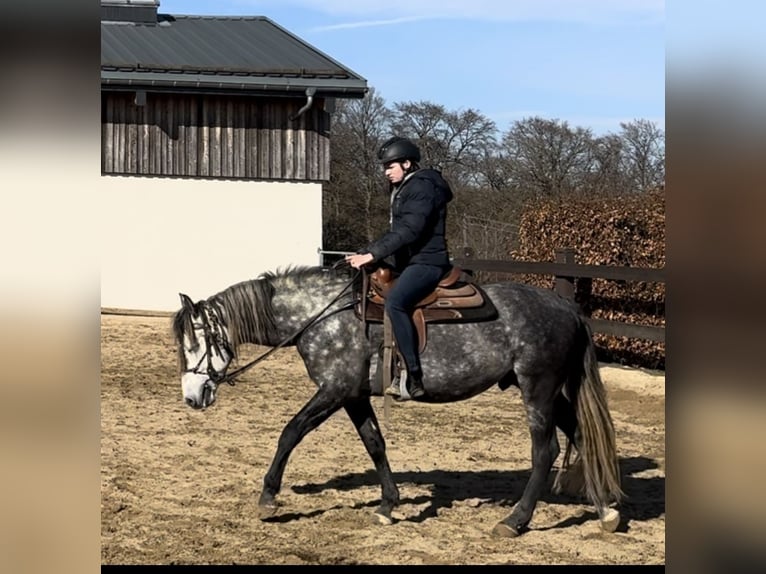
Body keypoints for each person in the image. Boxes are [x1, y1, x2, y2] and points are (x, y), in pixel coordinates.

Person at [345, 136, 454, 400]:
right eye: (384, 167)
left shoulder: (422, 187)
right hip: (410, 262)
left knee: (395, 302)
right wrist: (365, 252)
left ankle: (412, 374)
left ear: (407, 163)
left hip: (427, 262)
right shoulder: (405, 188)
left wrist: (373, 253)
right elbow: (395, 232)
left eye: (390, 166)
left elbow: (410, 231)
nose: (386, 172)